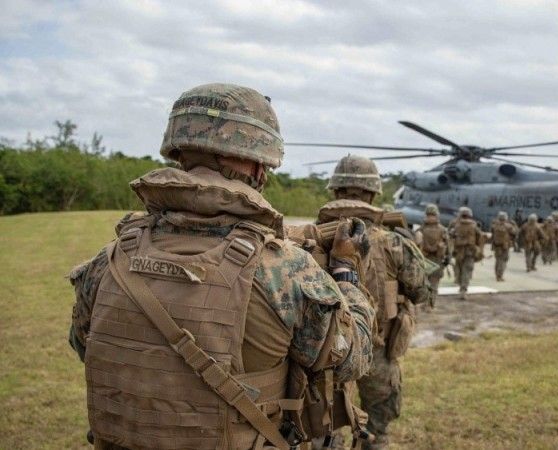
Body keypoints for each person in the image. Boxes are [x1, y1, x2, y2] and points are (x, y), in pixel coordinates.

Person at [67, 84, 376, 450]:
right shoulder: (285, 270)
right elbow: (353, 357)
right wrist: (347, 272)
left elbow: (84, 344)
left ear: (180, 150)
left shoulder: (112, 257)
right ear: (259, 165)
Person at [313, 154, 433, 450]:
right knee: (376, 434)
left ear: (335, 191)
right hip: (377, 352)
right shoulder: (394, 242)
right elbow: (421, 292)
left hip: (323, 353)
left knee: (324, 433)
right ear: (373, 192)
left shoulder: (310, 238)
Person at [415, 203, 449, 309]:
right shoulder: (443, 230)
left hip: (423, 259)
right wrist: (447, 259)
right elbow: (448, 246)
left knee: (424, 283)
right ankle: (430, 305)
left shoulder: (420, 229)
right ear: (437, 215)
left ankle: (425, 303)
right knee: (434, 284)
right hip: (437, 260)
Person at [449, 206, 483, 299]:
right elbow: (480, 237)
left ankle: (459, 283)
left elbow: (450, 236)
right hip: (470, 252)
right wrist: (479, 249)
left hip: (458, 251)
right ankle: (463, 290)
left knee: (459, 269)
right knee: (467, 271)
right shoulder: (474, 225)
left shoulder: (455, 224)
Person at [490, 211, 517, 281]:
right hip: (505, 246)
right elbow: (515, 233)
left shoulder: (494, 225)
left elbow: (492, 233)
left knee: (498, 260)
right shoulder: (509, 226)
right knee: (503, 260)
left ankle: (496, 274)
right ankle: (500, 276)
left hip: (496, 245)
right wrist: (514, 225)